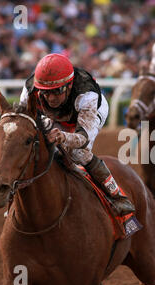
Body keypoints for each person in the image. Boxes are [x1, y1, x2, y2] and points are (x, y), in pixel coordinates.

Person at [19, 53, 141, 239]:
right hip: (55, 117)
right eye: (46, 92)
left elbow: (82, 137)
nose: (51, 98)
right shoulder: (30, 89)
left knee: (77, 153)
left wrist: (62, 137)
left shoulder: (87, 95)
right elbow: (23, 124)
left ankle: (119, 200)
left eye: (57, 91)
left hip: (87, 117)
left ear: (69, 85)